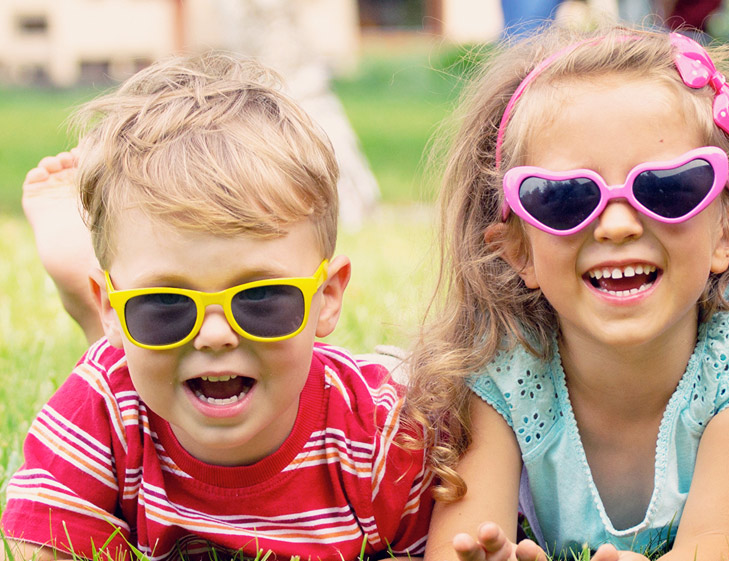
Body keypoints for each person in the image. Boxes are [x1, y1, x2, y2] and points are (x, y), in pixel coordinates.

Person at [403, 25, 729, 561]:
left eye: (667, 188)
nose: (616, 226)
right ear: (518, 250)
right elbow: (463, 544)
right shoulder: (501, 358)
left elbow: (712, 549)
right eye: (564, 198)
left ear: (728, 232)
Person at [2, 52, 441, 560]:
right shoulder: (102, 404)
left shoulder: (381, 440)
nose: (214, 335)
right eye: (165, 303)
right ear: (114, 305)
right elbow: (50, 547)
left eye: (260, 298)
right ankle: (92, 297)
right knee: (117, 360)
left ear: (327, 298)